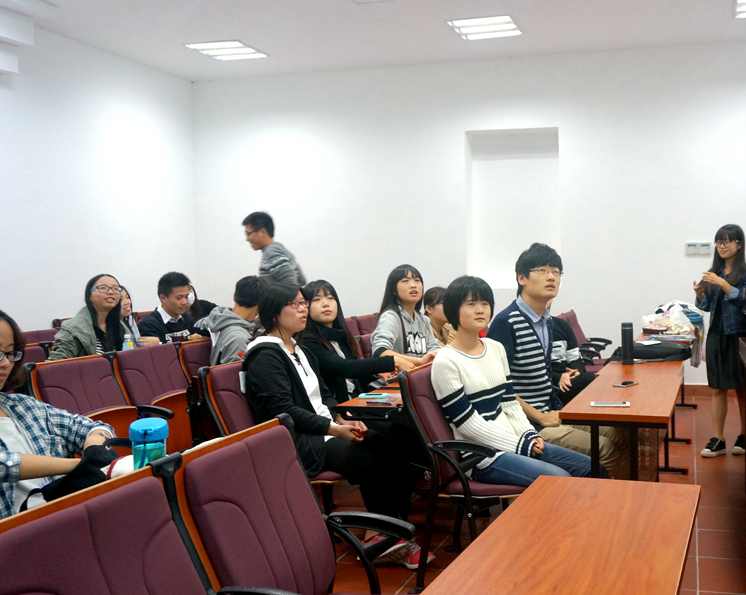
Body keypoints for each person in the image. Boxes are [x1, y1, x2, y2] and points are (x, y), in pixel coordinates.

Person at [243, 283, 429, 569]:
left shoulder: (298, 348)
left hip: (325, 428)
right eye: (295, 304)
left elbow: (324, 394)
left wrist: (341, 418)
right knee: (369, 455)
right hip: (299, 439)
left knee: (392, 443)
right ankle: (385, 537)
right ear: (274, 313)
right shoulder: (265, 355)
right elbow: (284, 411)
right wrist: (333, 429)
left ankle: (391, 530)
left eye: (303, 303)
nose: (303, 309)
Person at [431, 277, 592, 485]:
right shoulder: (446, 361)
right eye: (471, 304)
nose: (480, 310)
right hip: (482, 455)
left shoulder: (495, 348)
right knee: (560, 480)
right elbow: (468, 424)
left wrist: (529, 435)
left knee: (589, 467)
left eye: (485, 303)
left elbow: (510, 404)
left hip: (515, 440)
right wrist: (519, 444)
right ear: (454, 310)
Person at [487, 243, 626, 478]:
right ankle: (606, 498)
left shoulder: (547, 322)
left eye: (556, 271)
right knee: (606, 449)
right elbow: (497, 387)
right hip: (529, 424)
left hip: (552, 411)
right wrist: (540, 416)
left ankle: (626, 495)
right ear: (522, 278)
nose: (551, 277)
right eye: (542, 270)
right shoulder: (506, 323)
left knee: (621, 431)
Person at [0, 309, 115, 518]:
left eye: (10, 353)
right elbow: (5, 464)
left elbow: (92, 427)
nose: (6, 363)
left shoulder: (23, 406)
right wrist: (79, 466)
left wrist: (94, 446)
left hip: (63, 517)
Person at [695, 224, 746, 457]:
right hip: (716, 335)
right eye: (718, 241)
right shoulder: (713, 272)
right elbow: (706, 306)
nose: (721, 246)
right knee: (717, 388)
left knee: (742, 389)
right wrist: (700, 294)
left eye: (726, 241)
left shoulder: (743, 272)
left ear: (739, 244)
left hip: (739, 336)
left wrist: (723, 284)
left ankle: (744, 436)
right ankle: (719, 438)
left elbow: (742, 299)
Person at [301, 280, 396, 402]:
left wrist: (380, 376)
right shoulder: (307, 340)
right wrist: (391, 362)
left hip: (359, 400)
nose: (325, 304)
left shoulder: (340, 335)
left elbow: (358, 374)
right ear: (306, 307)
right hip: (338, 407)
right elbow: (345, 367)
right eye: (317, 299)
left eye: (330, 298)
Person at [371, 265, 440, 371]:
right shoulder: (391, 317)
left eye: (417, 280)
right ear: (394, 290)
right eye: (405, 281)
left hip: (422, 374)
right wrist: (419, 361)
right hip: (400, 377)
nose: (413, 285)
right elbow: (380, 352)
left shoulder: (423, 319)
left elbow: (434, 347)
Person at [48, 274, 128, 360]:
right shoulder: (73, 328)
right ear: (89, 295)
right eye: (103, 288)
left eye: (116, 288)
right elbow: (56, 362)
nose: (111, 292)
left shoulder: (120, 324)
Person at [195, 276, 265, 365]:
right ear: (262, 304)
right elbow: (233, 373)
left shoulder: (209, 320)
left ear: (235, 296)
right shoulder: (239, 339)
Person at [243, 211, 306, 286]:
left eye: (248, 234)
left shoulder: (271, 252)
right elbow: (301, 280)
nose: (247, 239)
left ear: (262, 232)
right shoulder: (278, 249)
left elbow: (290, 286)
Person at [138, 272, 201, 343]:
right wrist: (187, 339)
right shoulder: (148, 325)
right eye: (179, 298)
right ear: (163, 298)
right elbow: (156, 348)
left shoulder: (187, 319)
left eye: (186, 297)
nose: (184, 302)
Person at [550, 315, 597, 405]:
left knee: (598, 381)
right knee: (590, 380)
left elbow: (575, 358)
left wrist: (576, 372)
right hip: (550, 385)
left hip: (566, 380)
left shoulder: (562, 325)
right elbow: (533, 369)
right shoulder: (528, 329)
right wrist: (558, 377)